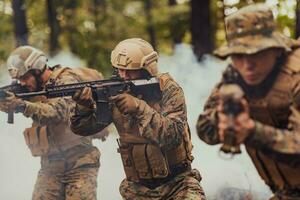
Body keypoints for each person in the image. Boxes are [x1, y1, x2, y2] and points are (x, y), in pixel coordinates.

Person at [70, 38, 206, 199]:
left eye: (130, 71)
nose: (124, 75)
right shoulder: (114, 91)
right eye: (120, 69)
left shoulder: (168, 90)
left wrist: (139, 108)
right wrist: (83, 107)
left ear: (146, 70)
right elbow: (85, 129)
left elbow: (172, 136)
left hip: (178, 184)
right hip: (136, 189)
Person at [196, 4, 300, 200]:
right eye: (238, 55)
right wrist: (222, 119)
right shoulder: (235, 76)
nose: (247, 65)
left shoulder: (296, 76)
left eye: (256, 53)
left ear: (275, 49)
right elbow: (204, 130)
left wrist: (252, 132)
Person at [0, 45, 107, 200]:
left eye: (24, 78)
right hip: (50, 166)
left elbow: (57, 112)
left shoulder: (66, 80)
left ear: (36, 70)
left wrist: (21, 106)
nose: (22, 83)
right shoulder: (31, 88)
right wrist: (7, 104)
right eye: (19, 79)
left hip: (80, 164)